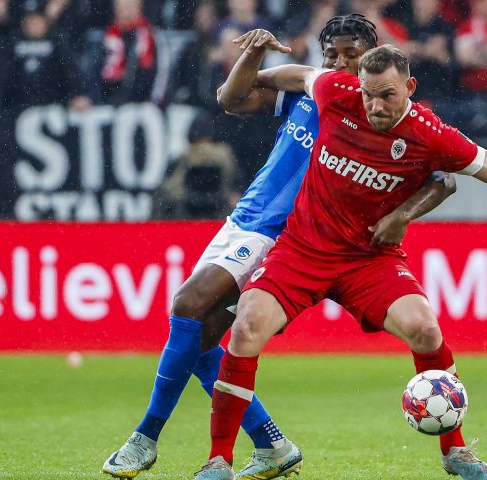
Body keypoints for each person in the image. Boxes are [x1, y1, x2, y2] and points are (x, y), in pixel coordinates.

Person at [193, 33, 487, 480]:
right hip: (302, 251)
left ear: (410, 90)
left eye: (386, 97)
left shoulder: (432, 133)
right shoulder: (336, 90)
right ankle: (218, 460)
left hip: (368, 259)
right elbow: (299, 74)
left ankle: (455, 453)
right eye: (369, 94)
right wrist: (258, 75)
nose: (375, 106)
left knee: (424, 327)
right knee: (244, 328)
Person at [103, 14, 459, 480]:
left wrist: (402, 215)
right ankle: (271, 443)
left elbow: (443, 176)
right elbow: (230, 99)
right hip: (247, 216)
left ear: (373, 57)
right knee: (200, 335)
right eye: (331, 54)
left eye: (351, 56)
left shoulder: (387, 112)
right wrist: (253, 53)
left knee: (189, 306)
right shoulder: (312, 89)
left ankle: (146, 436)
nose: (340, 63)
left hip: (287, 232)